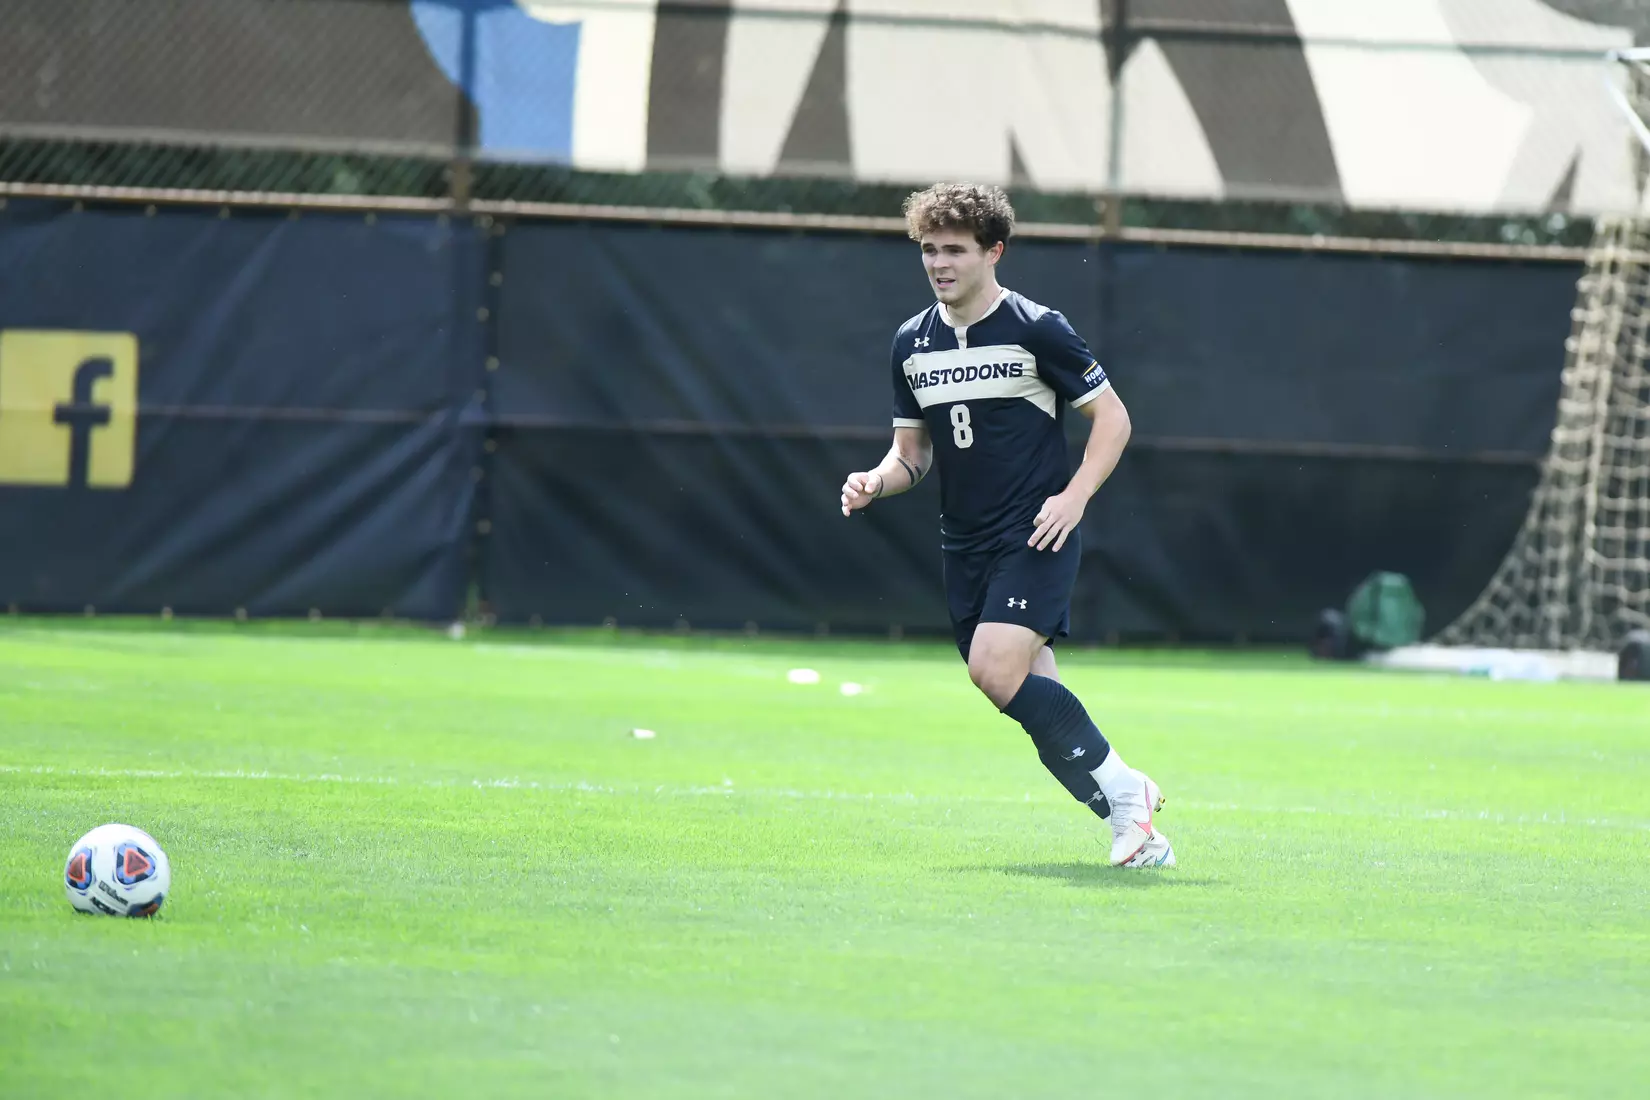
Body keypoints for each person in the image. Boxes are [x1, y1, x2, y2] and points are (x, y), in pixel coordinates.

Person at [840, 182, 1173, 868]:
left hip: (1035, 533)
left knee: (994, 670)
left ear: (994, 251)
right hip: (963, 543)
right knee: (1029, 698)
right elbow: (912, 454)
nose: (939, 263)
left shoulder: (1035, 327)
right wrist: (876, 480)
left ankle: (1128, 792)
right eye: (929, 249)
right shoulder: (912, 341)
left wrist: (1075, 498)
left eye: (955, 250)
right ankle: (1140, 838)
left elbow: (1114, 419)